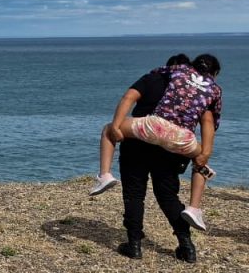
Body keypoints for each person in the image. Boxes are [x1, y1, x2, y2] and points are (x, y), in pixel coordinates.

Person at [90, 54, 222, 233]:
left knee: (108, 130)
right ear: (215, 73)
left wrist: (116, 126)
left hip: (155, 127)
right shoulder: (215, 89)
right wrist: (206, 152)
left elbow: (137, 89)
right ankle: (194, 208)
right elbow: (209, 122)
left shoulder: (177, 71)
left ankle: (105, 175)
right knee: (200, 161)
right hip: (182, 138)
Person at [111, 54, 199, 261]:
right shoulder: (193, 89)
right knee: (168, 195)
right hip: (169, 145)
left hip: (137, 139)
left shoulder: (153, 78)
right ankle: (186, 245)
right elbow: (206, 118)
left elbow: (129, 97)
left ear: (167, 67)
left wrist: (116, 125)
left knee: (134, 193)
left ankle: (134, 245)